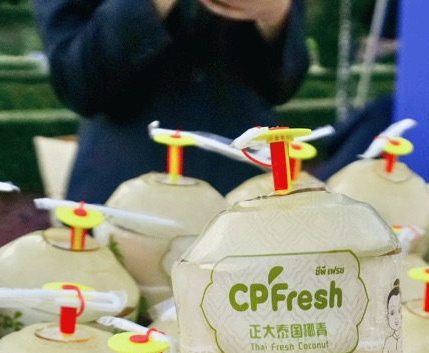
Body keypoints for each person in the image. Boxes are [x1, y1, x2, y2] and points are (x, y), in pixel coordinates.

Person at [34, 0, 310, 202]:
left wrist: (276, 16)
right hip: (125, 198)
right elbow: (76, 82)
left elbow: (285, 83)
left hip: (246, 192)